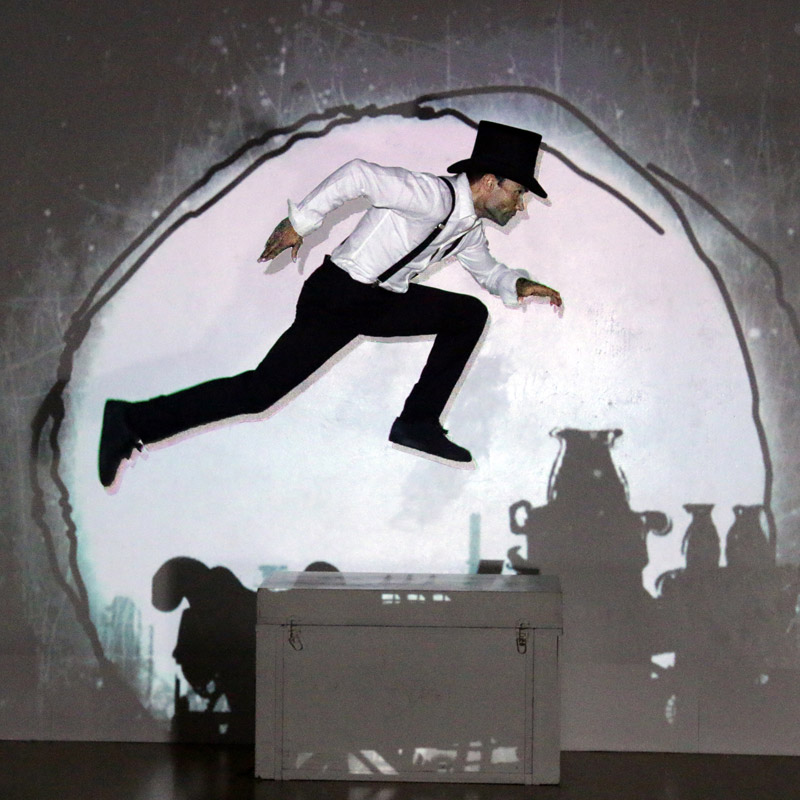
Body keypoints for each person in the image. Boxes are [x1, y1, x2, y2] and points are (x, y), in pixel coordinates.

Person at [98, 120, 562, 487]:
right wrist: (300, 223)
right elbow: (358, 174)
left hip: (379, 302)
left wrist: (518, 285)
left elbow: (487, 270)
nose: (520, 205)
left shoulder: (468, 228)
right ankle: (132, 419)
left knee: (468, 315)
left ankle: (417, 423)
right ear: (489, 181)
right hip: (340, 295)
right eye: (518, 192)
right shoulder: (428, 194)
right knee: (259, 394)